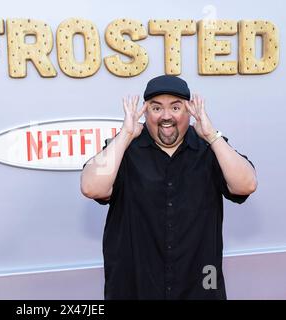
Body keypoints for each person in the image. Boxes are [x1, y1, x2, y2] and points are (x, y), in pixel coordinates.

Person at [80, 75, 257, 300]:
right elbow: (91, 187)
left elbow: (246, 185)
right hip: (134, 287)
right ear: (145, 113)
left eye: (175, 107)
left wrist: (212, 136)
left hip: (200, 287)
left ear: (189, 111)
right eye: (156, 108)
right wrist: (125, 135)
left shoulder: (210, 148)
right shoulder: (123, 150)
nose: (166, 116)